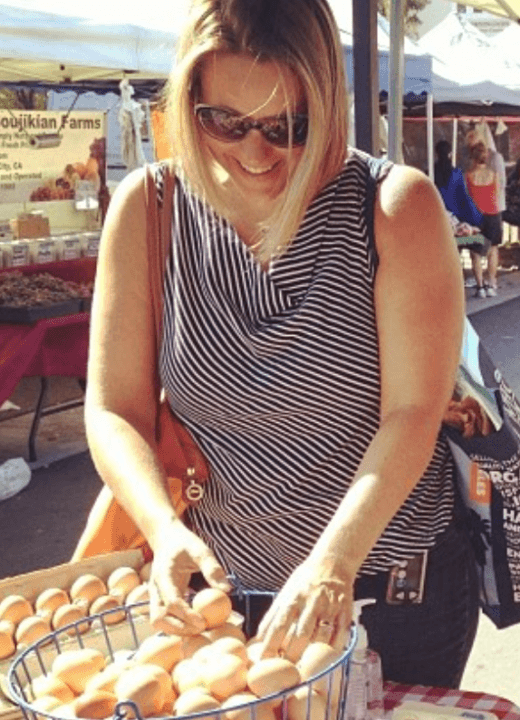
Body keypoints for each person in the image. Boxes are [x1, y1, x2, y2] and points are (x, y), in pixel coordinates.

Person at [85, 0, 477, 689]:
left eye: (287, 126)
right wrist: (164, 530)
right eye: (222, 122)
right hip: (223, 597)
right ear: (188, 103)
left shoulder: (393, 209)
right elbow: (113, 406)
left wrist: (333, 562)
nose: (254, 153)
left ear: (327, 101)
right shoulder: (149, 210)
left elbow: (413, 413)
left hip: (389, 591)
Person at [465, 141, 503, 297]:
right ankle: (491, 284)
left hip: (476, 217)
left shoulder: (468, 175)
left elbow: (467, 197)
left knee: (475, 252)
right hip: (493, 215)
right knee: (492, 250)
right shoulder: (494, 174)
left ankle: (480, 287)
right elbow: (497, 193)